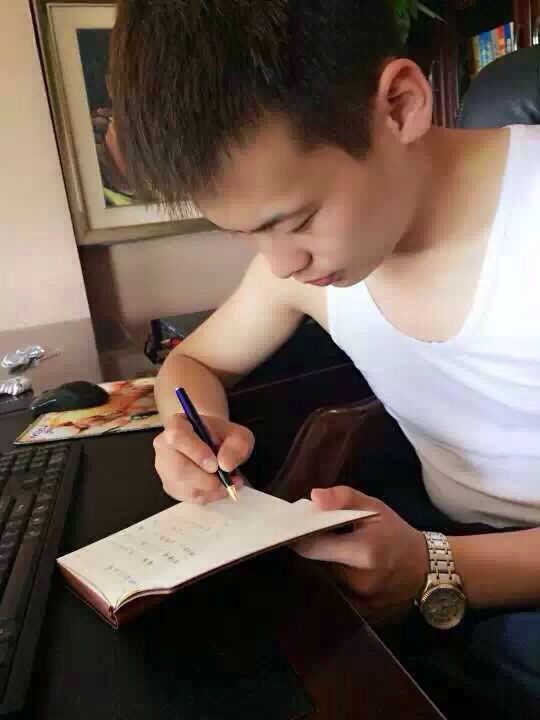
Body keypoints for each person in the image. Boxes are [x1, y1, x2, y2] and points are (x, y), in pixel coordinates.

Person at [109, 1, 540, 716]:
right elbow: (195, 364)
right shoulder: (302, 265)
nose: (281, 264)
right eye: (244, 235)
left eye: (297, 221)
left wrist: (437, 565)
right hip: (433, 539)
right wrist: (193, 428)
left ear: (399, 106)